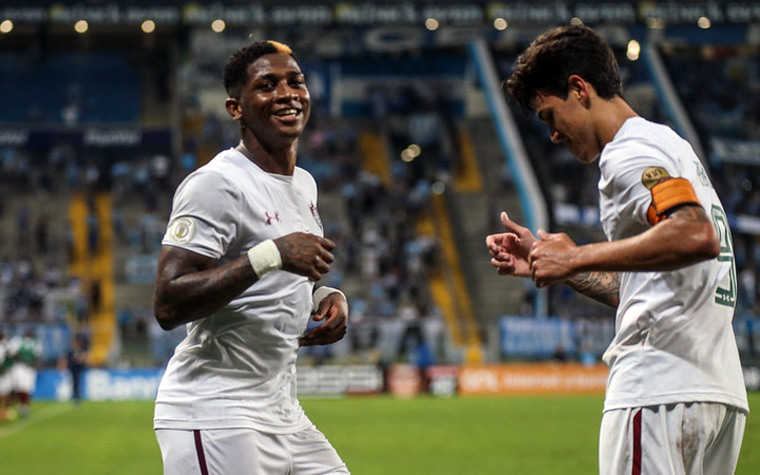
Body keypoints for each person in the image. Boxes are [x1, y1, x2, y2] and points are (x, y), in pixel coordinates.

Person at [486, 25, 748, 474]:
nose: (553, 135)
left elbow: (695, 235)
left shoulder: (627, 155)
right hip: (714, 392)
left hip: (658, 389)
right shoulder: (669, 145)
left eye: (550, 116)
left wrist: (574, 255)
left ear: (579, 89)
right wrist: (565, 269)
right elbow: (646, 285)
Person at [152, 40, 350, 474]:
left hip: (282, 410)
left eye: (295, 81)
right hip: (216, 410)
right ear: (235, 108)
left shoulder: (305, 185)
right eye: (267, 85)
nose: (287, 93)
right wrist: (270, 254)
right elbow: (168, 303)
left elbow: (280, 278)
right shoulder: (216, 184)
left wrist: (327, 298)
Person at [8, 329, 42, 418]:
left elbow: (37, 356)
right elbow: (12, 354)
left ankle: (24, 407)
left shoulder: (35, 343)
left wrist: (32, 364)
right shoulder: (17, 341)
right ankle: (18, 406)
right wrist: (23, 360)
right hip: (20, 367)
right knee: (19, 388)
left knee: (28, 388)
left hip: (30, 369)